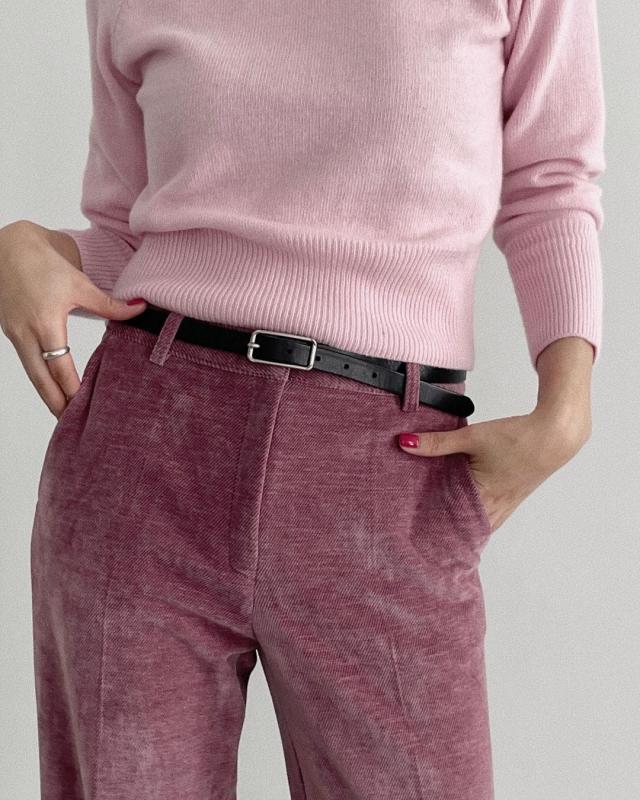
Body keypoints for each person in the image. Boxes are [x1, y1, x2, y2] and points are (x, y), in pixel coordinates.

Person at [0, 0, 605, 797]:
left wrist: (566, 408)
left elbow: (551, 178)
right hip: (147, 446)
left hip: (383, 461)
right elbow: (129, 228)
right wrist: (33, 251)